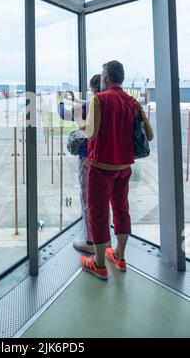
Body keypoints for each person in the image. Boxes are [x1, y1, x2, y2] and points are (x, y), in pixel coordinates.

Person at [80, 61, 153, 280]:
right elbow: (148, 136)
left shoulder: (99, 99)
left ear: (107, 78)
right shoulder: (132, 101)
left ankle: (100, 264)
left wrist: (81, 123)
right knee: (122, 209)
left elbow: (91, 134)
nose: (101, 78)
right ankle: (120, 256)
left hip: (101, 166)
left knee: (99, 213)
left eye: (103, 75)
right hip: (124, 167)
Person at [58, 75, 101, 255]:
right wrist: (75, 100)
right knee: (103, 200)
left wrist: (60, 101)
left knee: (87, 199)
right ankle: (103, 238)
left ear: (94, 90)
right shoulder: (111, 102)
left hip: (89, 157)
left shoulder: (93, 105)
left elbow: (65, 114)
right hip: (108, 158)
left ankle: (91, 241)